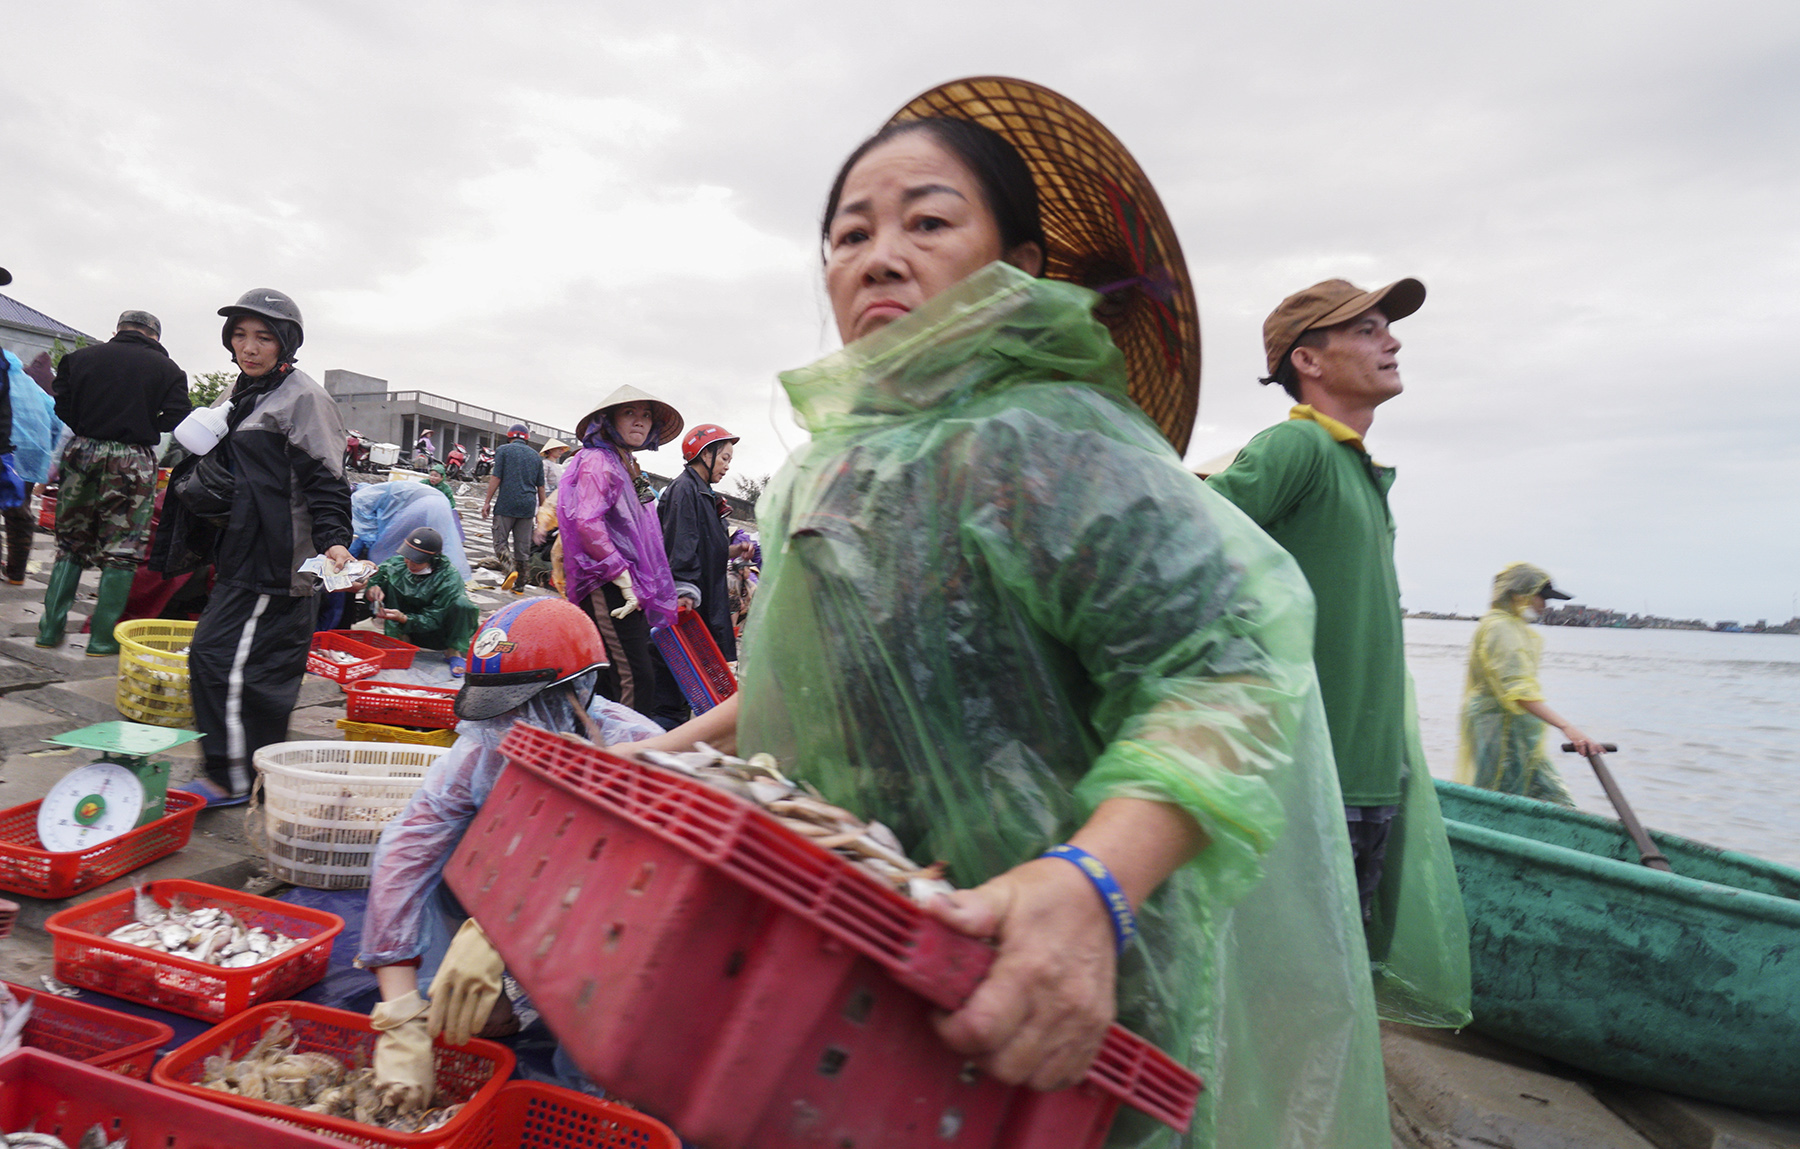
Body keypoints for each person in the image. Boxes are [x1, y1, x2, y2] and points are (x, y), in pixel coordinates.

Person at [610, 81, 1388, 1148]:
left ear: (1017, 269)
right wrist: (654, 763)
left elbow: (1229, 667)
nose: (880, 255)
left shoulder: (1053, 445)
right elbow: (802, 697)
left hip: (1055, 975)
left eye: (928, 222)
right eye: (849, 233)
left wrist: (1092, 888)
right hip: (854, 947)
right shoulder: (825, 478)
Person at [1207, 278, 1471, 1028]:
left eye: (1387, 327)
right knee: (1277, 998)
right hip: (1305, 782)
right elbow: (1191, 538)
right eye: (1365, 328)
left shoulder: (1358, 470)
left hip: (1367, 780)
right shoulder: (1299, 447)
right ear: (1308, 361)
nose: (1390, 341)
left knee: (1324, 997)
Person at [360, 598, 660, 1106]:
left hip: (601, 928)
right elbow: (406, 848)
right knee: (439, 852)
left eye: (527, 704)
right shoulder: (482, 747)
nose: (510, 723)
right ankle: (488, 1010)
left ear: (581, 688)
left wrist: (503, 929)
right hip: (511, 903)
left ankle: (596, 1079)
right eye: (501, 707)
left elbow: (635, 893)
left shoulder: (638, 748)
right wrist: (400, 1014)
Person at [175, 289, 353, 807]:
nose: (248, 347)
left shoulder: (305, 399)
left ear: (287, 343)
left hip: (278, 563)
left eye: (263, 337)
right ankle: (254, 774)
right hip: (243, 552)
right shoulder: (247, 391)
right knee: (261, 674)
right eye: (239, 335)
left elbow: (327, 481)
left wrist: (336, 541)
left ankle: (229, 777)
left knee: (215, 659)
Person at [37, 309, 191, 655]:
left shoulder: (79, 359)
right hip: (133, 460)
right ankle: (102, 639)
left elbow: (61, 405)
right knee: (122, 549)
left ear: (118, 330)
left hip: (81, 452)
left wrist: (87, 422)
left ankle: (49, 631)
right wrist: (147, 424)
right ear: (154, 336)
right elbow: (177, 417)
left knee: (70, 543)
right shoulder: (169, 370)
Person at [558, 387, 681, 714]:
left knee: (614, 674)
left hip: (627, 584)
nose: (640, 421)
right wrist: (621, 576)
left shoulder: (626, 463)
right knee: (634, 678)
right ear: (608, 420)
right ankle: (624, 750)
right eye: (629, 413)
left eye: (646, 415)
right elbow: (586, 522)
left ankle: (599, 747)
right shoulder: (599, 461)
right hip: (606, 583)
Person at [1458, 563, 1601, 803]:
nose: (1545, 605)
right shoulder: (1500, 628)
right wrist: (1567, 728)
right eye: (1541, 597)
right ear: (1517, 595)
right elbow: (1518, 690)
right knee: (1501, 792)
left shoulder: (1510, 626)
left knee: (1546, 793)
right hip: (1498, 726)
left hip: (1513, 725)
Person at [363, 527, 480, 677]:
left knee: (463, 605)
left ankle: (453, 651)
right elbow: (376, 577)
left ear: (432, 559)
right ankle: (401, 637)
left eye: (417, 561)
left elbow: (433, 618)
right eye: (407, 557)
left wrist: (403, 618)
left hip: (436, 631)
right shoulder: (398, 564)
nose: (410, 564)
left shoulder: (448, 577)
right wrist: (373, 590)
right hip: (404, 626)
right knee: (388, 582)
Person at [1, 350, 63, 586]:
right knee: (19, 509)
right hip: (29, 457)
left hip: (5, 448)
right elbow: (57, 423)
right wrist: (46, 456)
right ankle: (16, 573)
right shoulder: (35, 390)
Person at [480, 423, 542, 592]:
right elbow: (541, 487)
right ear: (527, 439)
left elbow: (496, 477)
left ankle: (510, 570)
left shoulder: (503, 450)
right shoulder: (536, 457)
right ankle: (520, 585)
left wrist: (487, 501)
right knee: (523, 549)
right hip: (528, 507)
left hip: (506, 504)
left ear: (509, 436)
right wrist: (541, 512)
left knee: (500, 542)